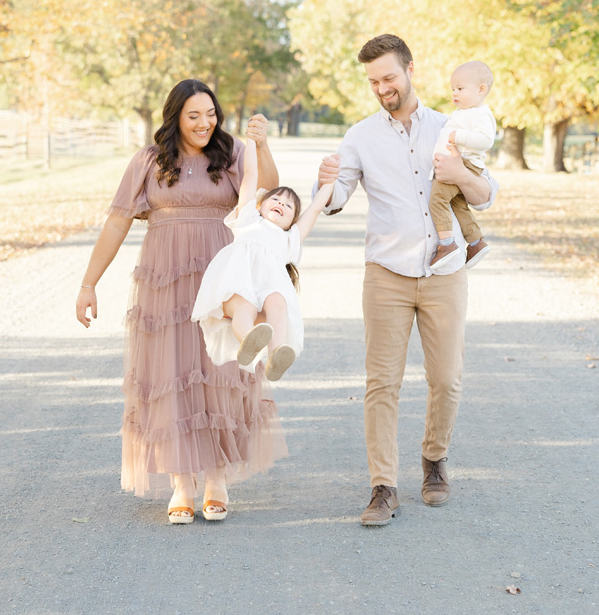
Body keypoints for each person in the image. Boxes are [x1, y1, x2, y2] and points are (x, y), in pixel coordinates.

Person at [76, 80, 286, 524]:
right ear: (175, 118)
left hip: (222, 272)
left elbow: (268, 185)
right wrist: (88, 283)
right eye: (194, 115)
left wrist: (260, 145)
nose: (204, 123)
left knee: (220, 367)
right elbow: (117, 223)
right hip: (166, 277)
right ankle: (180, 483)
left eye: (210, 114)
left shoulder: (230, 154)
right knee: (171, 369)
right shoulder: (149, 162)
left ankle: (216, 478)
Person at [314, 34, 498, 526]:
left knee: (446, 379)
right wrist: (325, 183)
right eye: (374, 81)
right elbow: (336, 200)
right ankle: (383, 485)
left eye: (389, 77)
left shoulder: (451, 125)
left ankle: (434, 459)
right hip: (386, 276)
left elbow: (483, 196)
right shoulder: (360, 136)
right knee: (382, 383)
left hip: (444, 271)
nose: (382, 88)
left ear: (411, 69)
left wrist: (459, 169)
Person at [190, 137, 335, 382]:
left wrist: (331, 181)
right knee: (244, 306)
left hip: (265, 298)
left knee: (278, 299)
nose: (281, 203)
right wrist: (252, 143)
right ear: (259, 205)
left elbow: (315, 208)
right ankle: (248, 340)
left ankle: (276, 353)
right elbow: (250, 175)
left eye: (289, 206)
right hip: (236, 289)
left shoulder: (289, 240)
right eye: (276, 199)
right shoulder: (248, 219)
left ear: (292, 222)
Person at [428, 59, 496, 269]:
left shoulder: (480, 114)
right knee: (457, 204)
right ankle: (475, 242)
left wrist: (459, 135)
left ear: (481, 89)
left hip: (465, 165)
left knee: (437, 199)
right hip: (460, 164)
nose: (454, 94)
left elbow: (486, 140)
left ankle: (446, 245)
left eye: (460, 88)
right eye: (453, 89)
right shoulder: (465, 112)